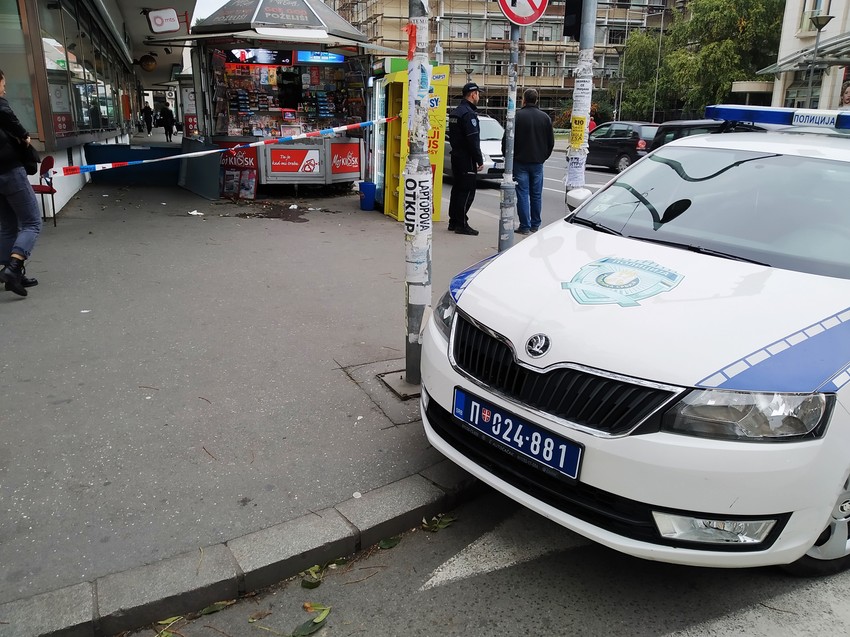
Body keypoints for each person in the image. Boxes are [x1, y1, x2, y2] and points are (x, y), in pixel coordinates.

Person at [0, 69, 42, 297]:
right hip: (9, 171)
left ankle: (8, 271)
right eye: (3, 84)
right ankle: (14, 268)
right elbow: (8, 116)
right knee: (32, 223)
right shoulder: (1, 106)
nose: (4, 89)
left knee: (7, 225)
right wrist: (24, 135)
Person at [512, 88, 554, 234]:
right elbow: (551, 143)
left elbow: (508, 140)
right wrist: (543, 157)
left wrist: (510, 157)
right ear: (536, 100)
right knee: (536, 194)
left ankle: (524, 226)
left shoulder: (517, 116)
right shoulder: (545, 118)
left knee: (522, 193)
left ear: (523, 99)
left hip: (520, 161)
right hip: (537, 162)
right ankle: (535, 225)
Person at [447, 82, 484, 236]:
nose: (479, 97)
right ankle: (461, 224)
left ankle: (453, 221)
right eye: (478, 94)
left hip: (456, 155)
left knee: (457, 190)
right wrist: (479, 159)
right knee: (467, 191)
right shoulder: (468, 114)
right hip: (466, 158)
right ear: (472, 94)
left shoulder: (456, 112)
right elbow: (472, 139)